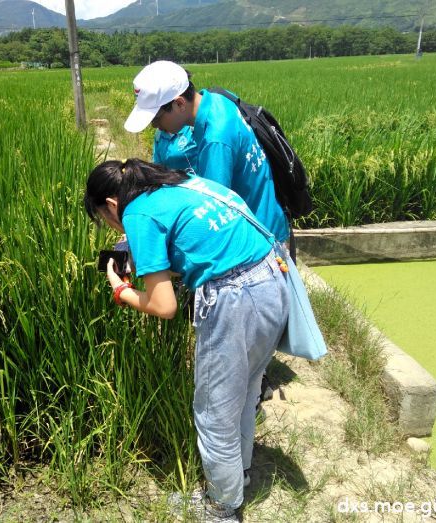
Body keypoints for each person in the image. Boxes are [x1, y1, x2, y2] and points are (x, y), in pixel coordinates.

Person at [84, 159, 290, 521]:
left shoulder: (138, 215)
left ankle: (222, 508)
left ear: (111, 205)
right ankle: (235, 479)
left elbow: (164, 306)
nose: (112, 225)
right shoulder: (181, 185)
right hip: (274, 278)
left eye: (104, 217)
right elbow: (198, 245)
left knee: (214, 413)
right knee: (244, 392)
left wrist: (120, 290)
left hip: (235, 300)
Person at [123, 60, 290, 245]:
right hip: (265, 222)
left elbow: (213, 208)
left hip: (258, 240)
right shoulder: (217, 100)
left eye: (156, 117)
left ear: (179, 103)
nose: (155, 125)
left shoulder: (216, 139)